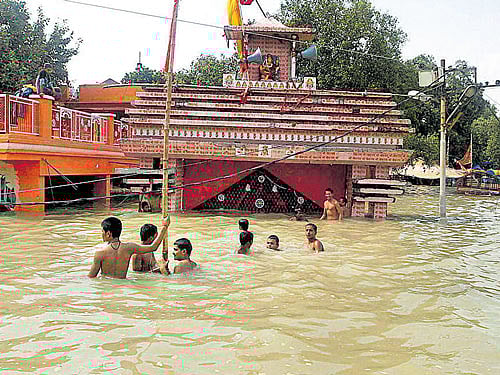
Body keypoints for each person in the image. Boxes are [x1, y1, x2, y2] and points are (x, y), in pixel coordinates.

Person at [88, 215, 170, 279]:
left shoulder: (99, 253)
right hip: (122, 286)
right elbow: (153, 247)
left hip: (106, 287)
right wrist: (165, 227)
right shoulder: (129, 248)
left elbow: (91, 277)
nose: (101, 234)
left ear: (108, 233)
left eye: (102, 231)